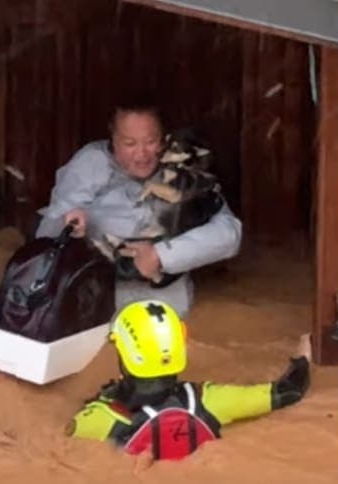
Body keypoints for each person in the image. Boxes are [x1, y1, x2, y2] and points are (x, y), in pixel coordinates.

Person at [34, 96, 242, 317]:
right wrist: (67, 224)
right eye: (130, 144)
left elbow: (229, 233)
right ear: (113, 139)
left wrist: (160, 256)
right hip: (93, 289)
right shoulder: (91, 163)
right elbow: (44, 239)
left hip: (162, 298)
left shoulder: (184, 168)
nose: (141, 154)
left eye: (151, 142)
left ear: (164, 139)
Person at [66, 299, 311, 462]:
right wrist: (303, 356)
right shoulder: (211, 399)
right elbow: (288, 392)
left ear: (124, 354)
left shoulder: (95, 420)